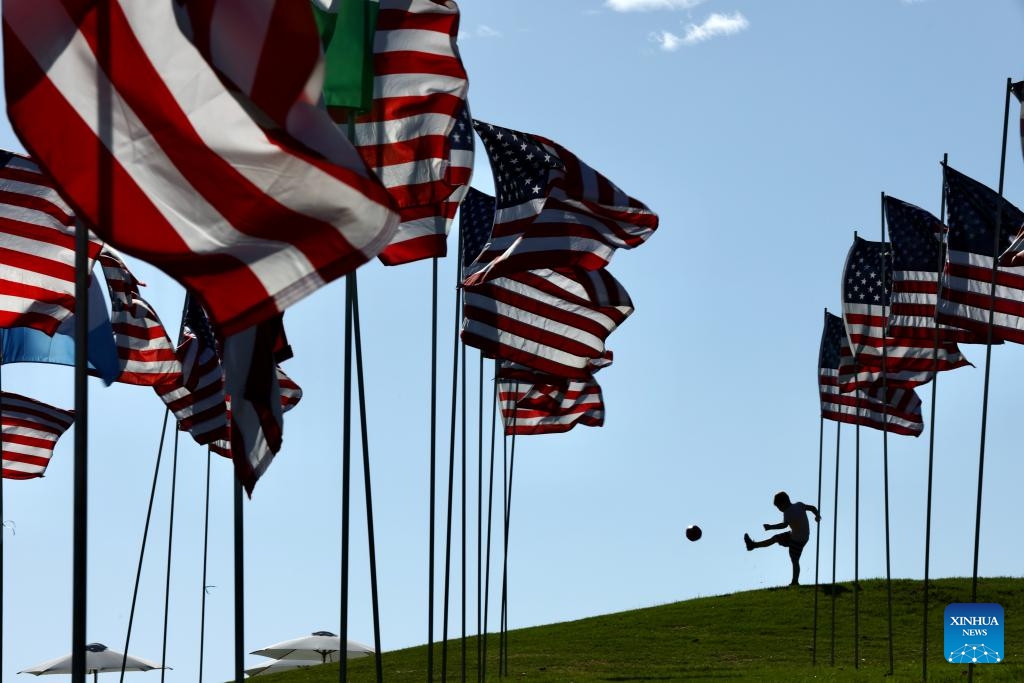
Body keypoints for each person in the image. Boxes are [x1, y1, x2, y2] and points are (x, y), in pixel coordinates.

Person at [744, 491, 821, 586]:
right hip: (798, 536)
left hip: (797, 541)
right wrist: (817, 515)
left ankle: (795, 581)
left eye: (778, 507)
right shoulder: (799, 505)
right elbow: (812, 508)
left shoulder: (787, 512)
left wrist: (770, 527)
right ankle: (753, 545)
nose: (779, 509)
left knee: (795, 561)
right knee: (776, 539)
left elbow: (783, 525)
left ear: (784, 503)